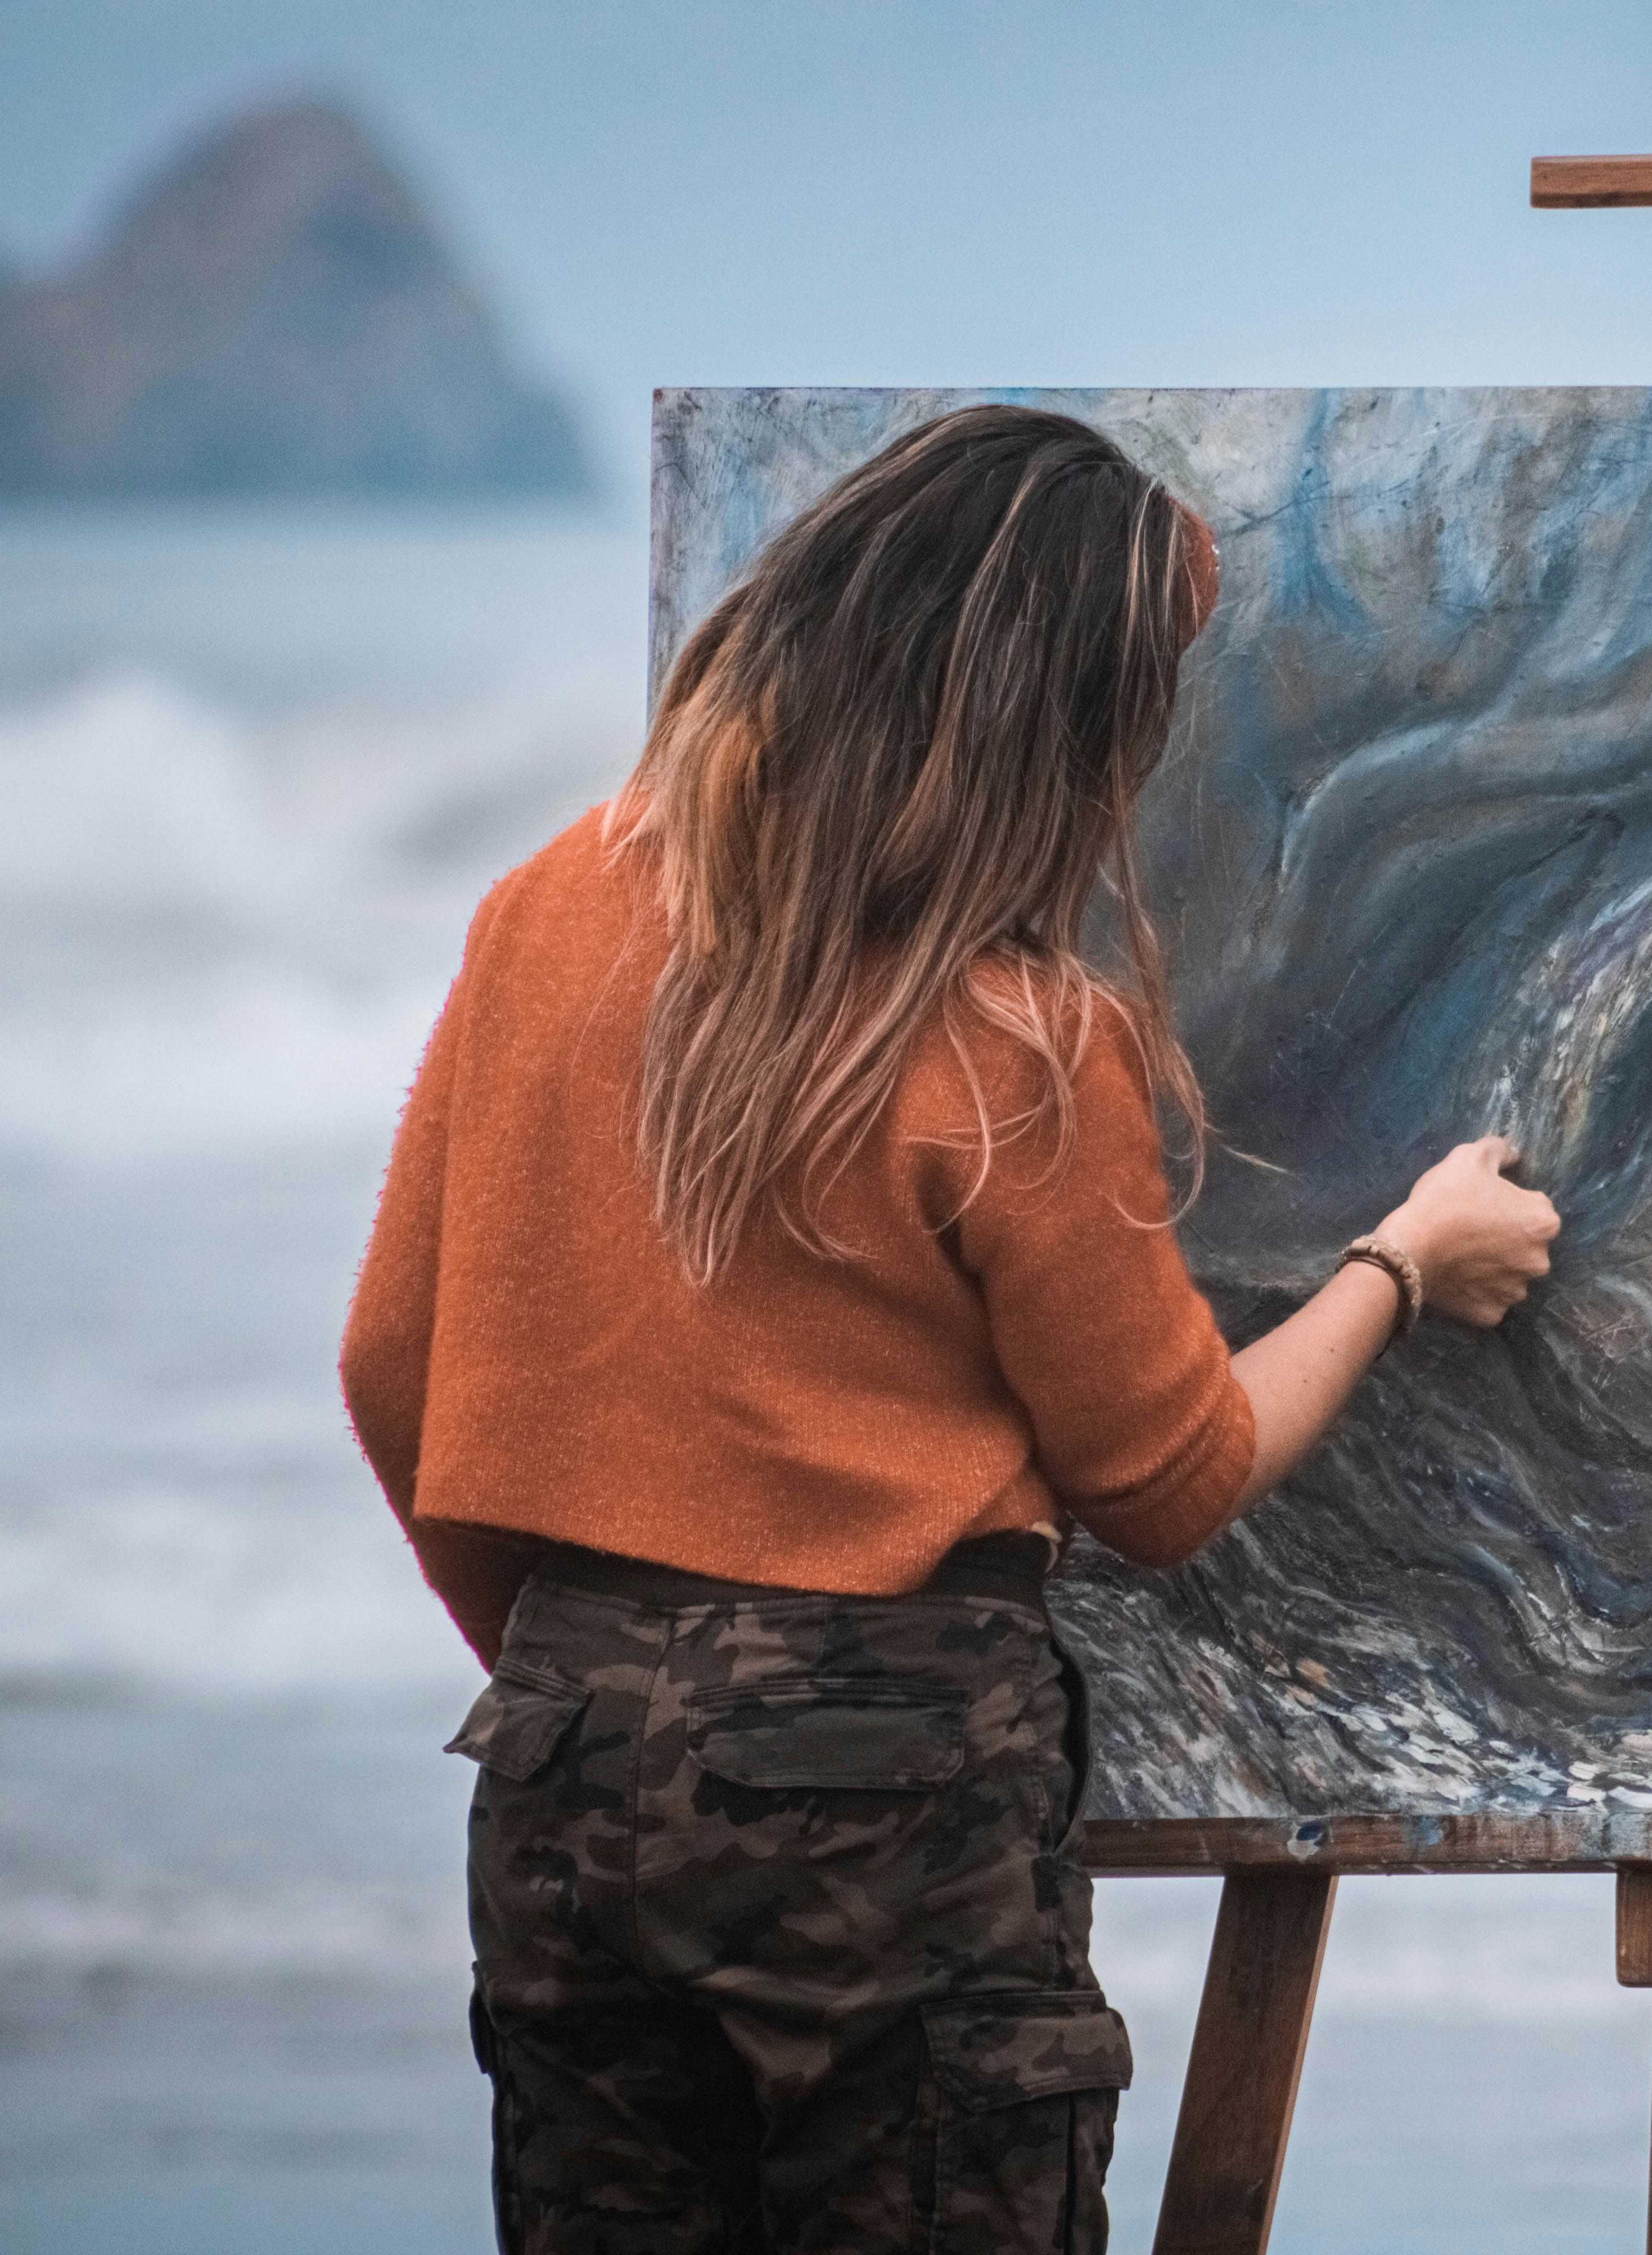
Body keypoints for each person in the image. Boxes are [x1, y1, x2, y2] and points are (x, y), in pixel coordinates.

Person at [338, 404, 1560, 2253]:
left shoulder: (546, 908)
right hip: (881, 1786)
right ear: (1052, 723)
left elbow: (387, 1368)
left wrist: (591, 1678)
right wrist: (1400, 1262)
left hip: (558, 1754)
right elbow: (1167, 1479)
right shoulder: (1009, 1038)